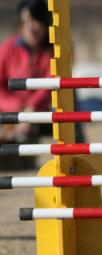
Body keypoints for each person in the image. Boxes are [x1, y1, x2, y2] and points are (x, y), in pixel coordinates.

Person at [0, 0, 51, 150]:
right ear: (19, 25)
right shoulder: (8, 47)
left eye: (35, 21)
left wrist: (31, 109)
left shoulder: (54, 50)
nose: (30, 27)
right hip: (9, 110)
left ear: (45, 23)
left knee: (70, 95)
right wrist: (17, 109)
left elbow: (50, 85)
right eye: (25, 21)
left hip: (42, 110)